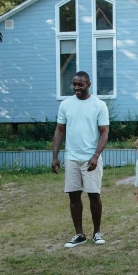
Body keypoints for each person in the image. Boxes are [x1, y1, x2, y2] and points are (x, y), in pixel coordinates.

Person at [52, 71, 110, 247]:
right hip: (72, 157)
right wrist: (55, 156)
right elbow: (60, 130)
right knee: (74, 196)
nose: (76, 87)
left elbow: (104, 132)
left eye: (80, 84)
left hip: (91, 158)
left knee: (94, 195)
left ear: (88, 84)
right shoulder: (66, 105)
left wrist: (96, 156)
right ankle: (79, 235)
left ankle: (97, 233)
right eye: (74, 84)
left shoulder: (99, 105)